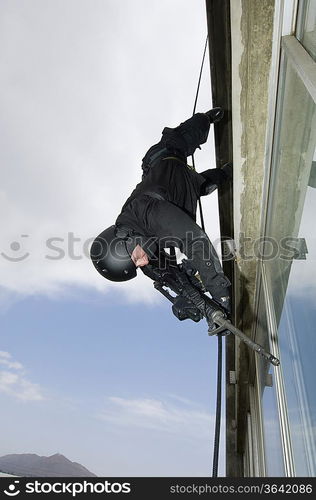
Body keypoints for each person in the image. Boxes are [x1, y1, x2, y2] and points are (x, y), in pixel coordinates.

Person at [90, 108, 232, 313]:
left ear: (126, 243)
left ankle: (205, 118)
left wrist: (221, 296)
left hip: (163, 157)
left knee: (186, 136)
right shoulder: (139, 248)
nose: (141, 264)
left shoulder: (143, 212)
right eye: (137, 266)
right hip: (184, 189)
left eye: (135, 260)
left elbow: (194, 239)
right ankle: (228, 171)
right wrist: (192, 301)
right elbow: (166, 274)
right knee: (205, 184)